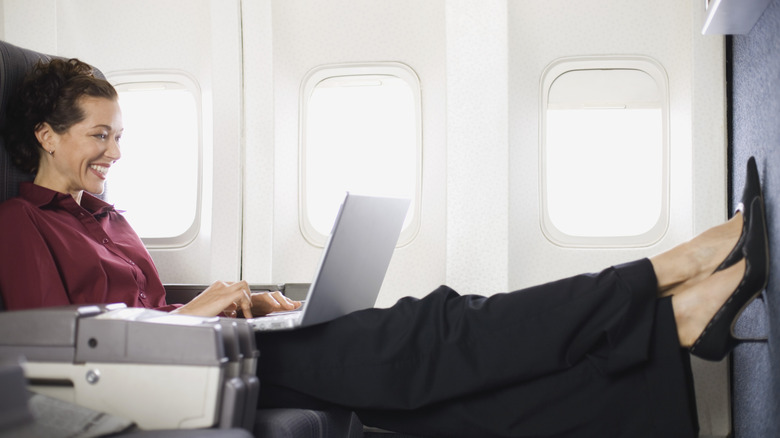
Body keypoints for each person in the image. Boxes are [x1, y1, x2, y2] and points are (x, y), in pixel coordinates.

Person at [0, 58, 769, 438]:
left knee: (459, 403)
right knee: (440, 325)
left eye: (119, 136)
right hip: (191, 378)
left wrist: (245, 305)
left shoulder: (106, 218)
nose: (114, 153)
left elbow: (140, 307)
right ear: (46, 134)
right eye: (99, 135)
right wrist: (202, 309)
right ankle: (674, 272)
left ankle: (674, 324)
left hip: (224, 349)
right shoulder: (21, 225)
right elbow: (55, 348)